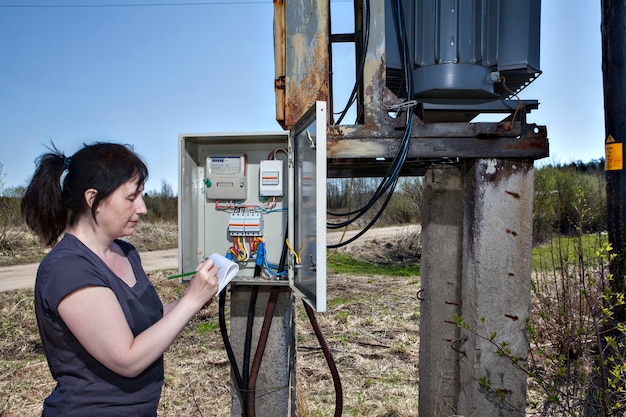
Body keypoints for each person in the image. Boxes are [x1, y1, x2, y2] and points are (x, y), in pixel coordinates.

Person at [21, 142, 219, 417]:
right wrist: (191, 301)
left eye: (142, 196)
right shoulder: (68, 268)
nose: (143, 208)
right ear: (93, 199)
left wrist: (193, 298)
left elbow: (147, 321)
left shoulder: (125, 252)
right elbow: (127, 359)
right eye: (131, 198)